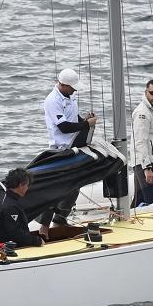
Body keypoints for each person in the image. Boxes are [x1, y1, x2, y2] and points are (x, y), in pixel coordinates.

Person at [38, 67, 96, 235]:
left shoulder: (70, 95)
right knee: (57, 187)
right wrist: (87, 125)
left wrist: (84, 120)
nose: (74, 90)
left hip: (74, 144)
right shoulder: (52, 100)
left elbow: (72, 119)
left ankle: (60, 219)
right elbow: (63, 127)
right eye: (72, 87)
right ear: (62, 85)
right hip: (60, 148)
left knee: (75, 185)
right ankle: (44, 227)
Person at [132, 79, 153, 207]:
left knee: (140, 200)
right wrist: (147, 167)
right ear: (146, 92)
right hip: (147, 163)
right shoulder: (143, 112)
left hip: (148, 161)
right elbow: (140, 141)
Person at [0, 167, 45, 248]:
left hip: (3, 243)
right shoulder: (10, 207)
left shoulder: (4, 198)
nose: (27, 188)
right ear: (21, 185)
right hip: (10, 249)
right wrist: (36, 240)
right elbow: (15, 234)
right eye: (27, 185)